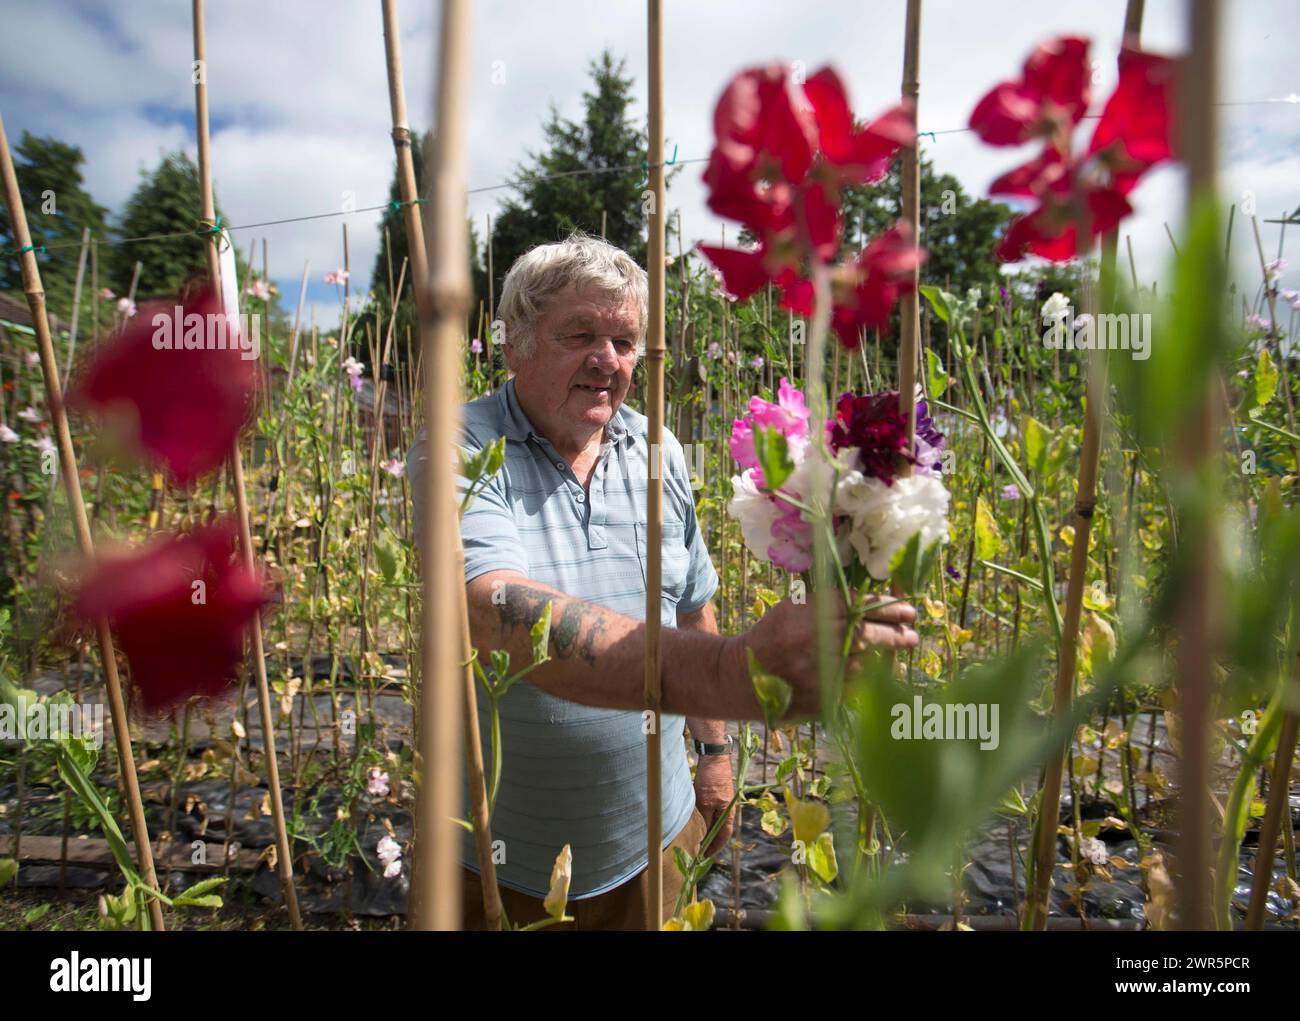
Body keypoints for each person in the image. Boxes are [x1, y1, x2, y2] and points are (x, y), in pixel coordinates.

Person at [407, 232, 918, 930]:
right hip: (502, 865)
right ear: (515, 343)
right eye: (579, 333)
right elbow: (491, 611)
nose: (607, 360)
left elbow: (692, 604)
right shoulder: (461, 444)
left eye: (623, 341)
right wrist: (735, 674)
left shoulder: (658, 449)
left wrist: (714, 752)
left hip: (656, 839)